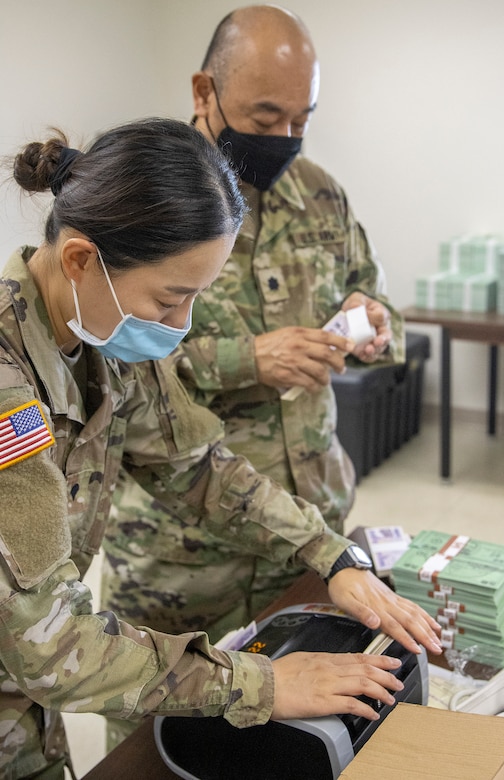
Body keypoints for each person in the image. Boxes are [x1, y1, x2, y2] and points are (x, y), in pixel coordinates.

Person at [0, 118, 418, 780]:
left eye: (197, 297)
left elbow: (198, 470)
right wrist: (263, 685)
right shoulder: (8, 389)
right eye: (171, 299)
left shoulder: (99, 332)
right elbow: (50, 649)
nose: (180, 327)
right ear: (82, 260)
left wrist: (331, 555)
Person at [102, 5, 408, 648]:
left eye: (302, 120)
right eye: (266, 118)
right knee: (161, 736)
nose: (286, 136)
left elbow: (375, 296)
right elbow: (110, 362)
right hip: (184, 554)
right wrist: (246, 358)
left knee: (295, 725)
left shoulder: (322, 195)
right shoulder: (145, 200)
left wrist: (376, 323)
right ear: (203, 92)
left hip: (308, 528)